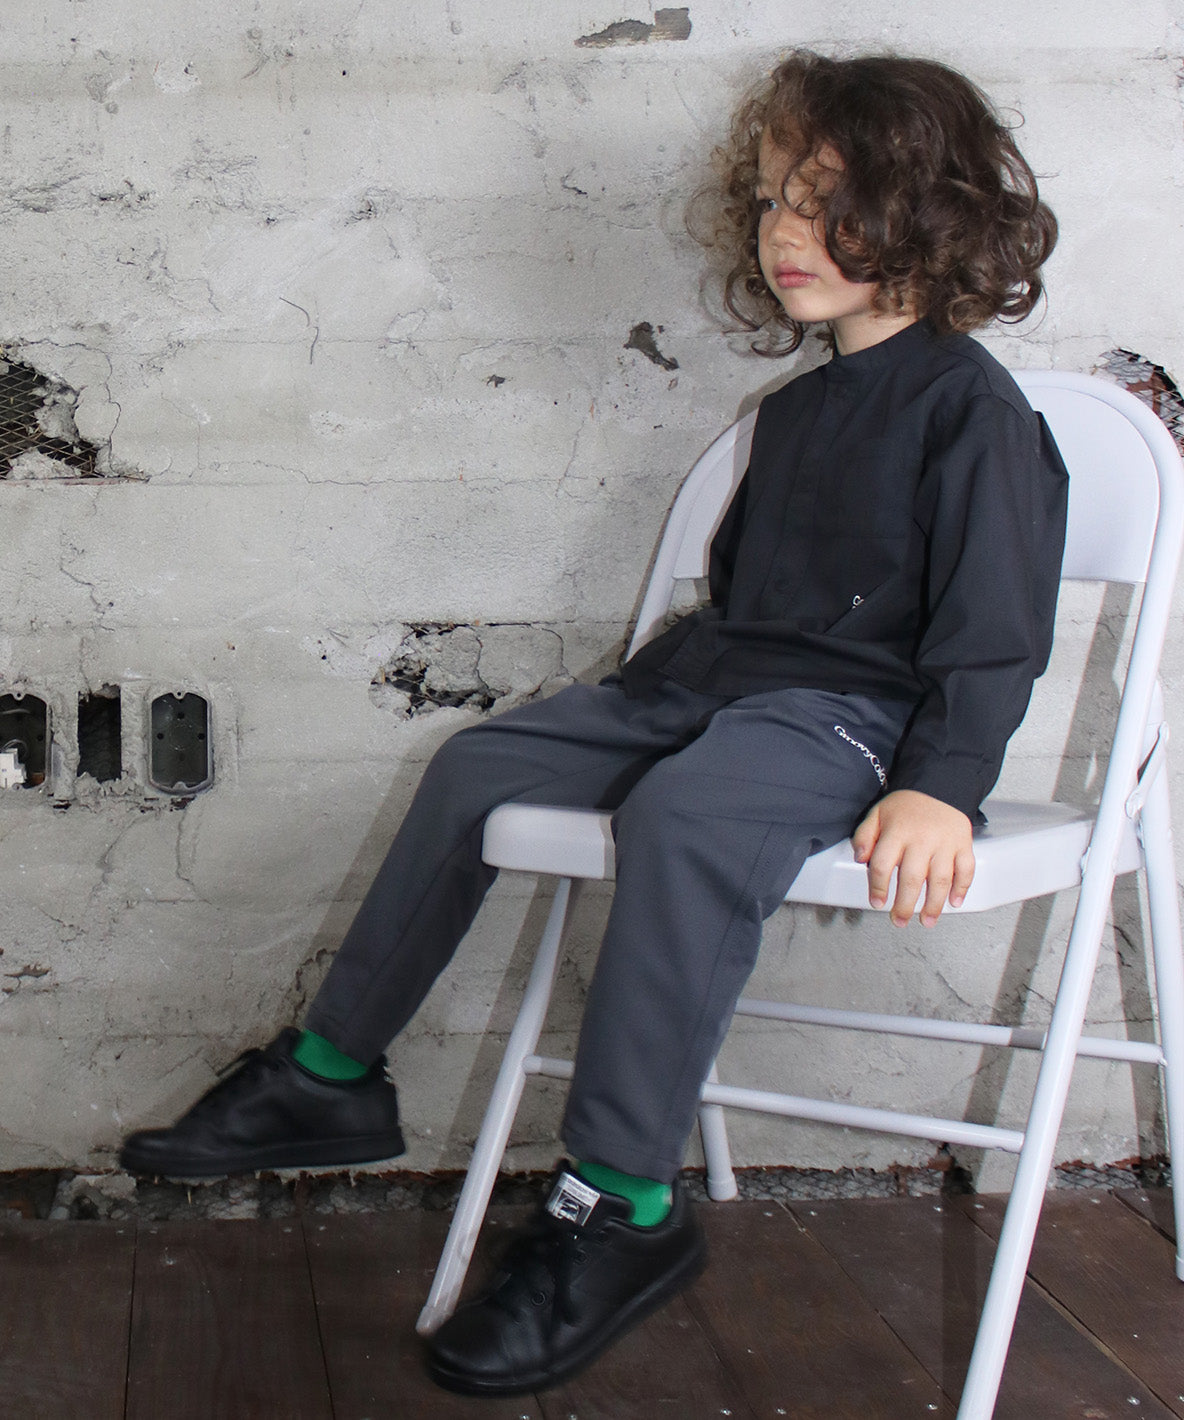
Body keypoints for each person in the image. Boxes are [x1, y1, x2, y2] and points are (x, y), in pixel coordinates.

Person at [119, 50, 1068, 1396]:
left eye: (824, 199)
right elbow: (747, 599)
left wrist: (942, 783)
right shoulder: (794, 412)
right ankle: (329, 1075)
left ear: (933, 207)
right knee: (479, 765)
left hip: (853, 717)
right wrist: (655, 702)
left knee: (687, 814)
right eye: (771, 201)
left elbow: (994, 628)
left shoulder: (976, 412)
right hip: (717, 688)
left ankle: (621, 1204)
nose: (784, 231)